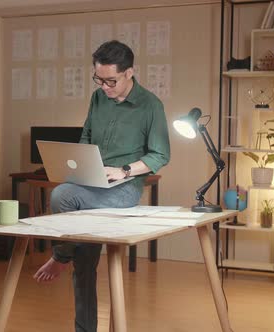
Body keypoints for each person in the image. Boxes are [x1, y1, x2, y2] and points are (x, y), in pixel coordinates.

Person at [33, 40, 170, 332]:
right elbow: (86, 136)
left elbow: (160, 155)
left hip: (124, 187)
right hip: (91, 182)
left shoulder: (151, 106)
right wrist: (79, 163)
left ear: (129, 72)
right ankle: (72, 263)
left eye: (111, 81)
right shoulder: (97, 98)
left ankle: (60, 256)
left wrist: (122, 170)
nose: (105, 87)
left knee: (66, 202)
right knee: (80, 244)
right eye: (99, 79)